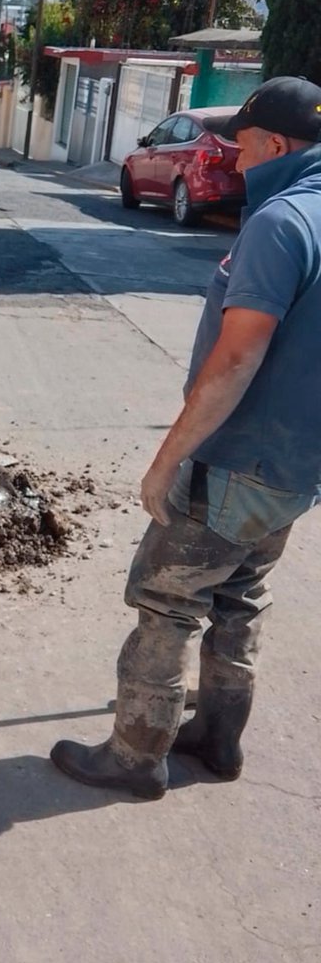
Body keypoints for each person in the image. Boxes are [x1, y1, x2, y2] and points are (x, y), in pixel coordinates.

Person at [51, 75, 321, 800]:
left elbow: (236, 359)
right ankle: (218, 738)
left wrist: (166, 461)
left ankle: (136, 757)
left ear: (276, 145)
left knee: (168, 601)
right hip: (297, 468)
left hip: (237, 461)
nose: (236, 160)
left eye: (243, 147)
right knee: (241, 595)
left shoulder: (282, 221)